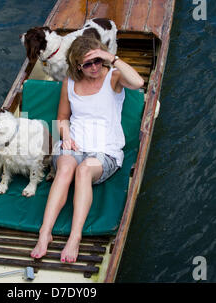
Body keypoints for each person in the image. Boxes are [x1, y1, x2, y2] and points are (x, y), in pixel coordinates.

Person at [30, 36, 144, 263]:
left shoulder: (113, 77)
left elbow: (139, 82)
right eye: (87, 64)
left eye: (97, 61)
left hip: (105, 152)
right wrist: (67, 136)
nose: (94, 67)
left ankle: (75, 237)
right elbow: (62, 118)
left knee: (83, 171)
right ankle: (45, 233)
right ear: (77, 66)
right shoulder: (70, 82)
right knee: (64, 170)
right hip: (75, 145)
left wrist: (111, 58)